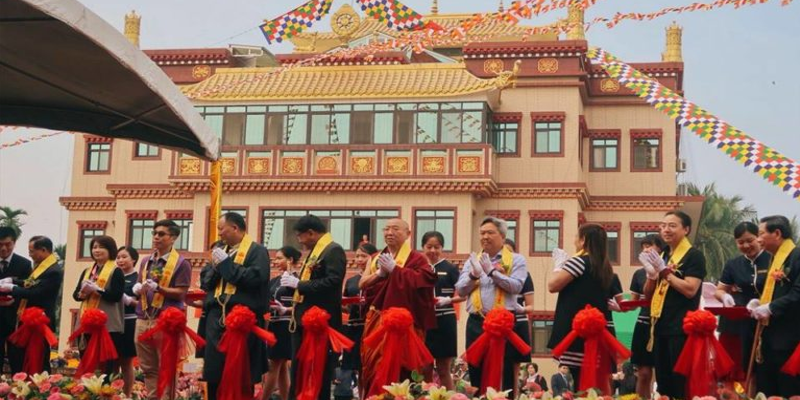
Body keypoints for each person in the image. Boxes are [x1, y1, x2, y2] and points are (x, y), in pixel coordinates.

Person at [360, 218, 437, 397]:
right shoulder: (375, 258)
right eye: (386, 229)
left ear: (408, 234)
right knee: (374, 364)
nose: (389, 233)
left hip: (404, 325)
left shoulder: (417, 258)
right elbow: (363, 284)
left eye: (395, 229)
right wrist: (380, 273)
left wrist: (397, 270)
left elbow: (425, 281)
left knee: (404, 366)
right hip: (377, 319)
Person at [455, 217, 526, 396]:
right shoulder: (473, 260)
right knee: (475, 369)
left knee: (504, 372)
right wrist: (473, 275)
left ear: (502, 236)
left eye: (490, 232)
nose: (485, 237)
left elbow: (517, 286)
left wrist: (492, 273)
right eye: (482, 233)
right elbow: (460, 291)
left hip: (503, 325)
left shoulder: (516, 260)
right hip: (476, 322)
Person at [203, 212, 271, 400]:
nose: (219, 234)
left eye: (221, 229)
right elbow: (205, 282)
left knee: (241, 370)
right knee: (215, 370)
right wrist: (217, 265)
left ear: (234, 228)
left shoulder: (256, 251)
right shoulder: (220, 249)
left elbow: (254, 279)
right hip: (216, 317)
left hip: (242, 320)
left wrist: (226, 263)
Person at [641, 211, 706, 399]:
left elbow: (690, 290)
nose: (665, 230)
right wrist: (651, 275)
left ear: (686, 229)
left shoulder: (694, 256)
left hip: (681, 327)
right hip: (660, 325)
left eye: (672, 225)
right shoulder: (663, 254)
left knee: (680, 381)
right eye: (662, 226)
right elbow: (648, 294)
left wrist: (665, 272)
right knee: (663, 382)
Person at [547, 224, 620, 389]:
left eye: (576, 237)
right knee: (597, 382)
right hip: (597, 332)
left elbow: (553, 286)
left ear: (583, 240)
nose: (574, 241)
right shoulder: (605, 267)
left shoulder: (579, 262)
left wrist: (558, 266)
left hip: (578, 332)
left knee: (580, 380)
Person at [282, 215, 346, 400]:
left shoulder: (333, 250)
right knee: (300, 369)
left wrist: (299, 284)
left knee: (317, 371)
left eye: (300, 236)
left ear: (311, 233)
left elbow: (333, 281)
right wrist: (294, 282)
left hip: (319, 323)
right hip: (304, 321)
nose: (299, 241)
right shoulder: (315, 252)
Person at [132, 220, 192, 399]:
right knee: (148, 367)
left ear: (173, 238)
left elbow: (182, 292)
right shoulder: (146, 261)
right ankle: (152, 397)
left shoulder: (181, 263)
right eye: (154, 233)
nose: (156, 237)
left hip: (166, 320)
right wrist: (137, 289)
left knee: (167, 366)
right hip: (143, 317)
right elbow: (139, 285)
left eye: (161, 234)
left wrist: (159, 289)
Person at [714, 222, 771, 392]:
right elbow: (719, 290)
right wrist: (725, 296)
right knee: (736, 368)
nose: (746, 245)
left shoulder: (772, 259)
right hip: (737, 321)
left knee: (759, 368)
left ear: (759, 238)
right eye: (740, 242)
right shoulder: (733, 264)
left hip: (766, 319)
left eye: (750, 240)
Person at [750, 215, 800, 396]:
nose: (758, 239)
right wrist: (759, 302)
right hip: (768, 337)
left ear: (777, 233)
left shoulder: (796, 257)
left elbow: (797, 294)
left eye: (761, 234)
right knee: (766, 389)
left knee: (788, 389)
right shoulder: (774, 259)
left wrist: (770, 308)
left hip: (789, 338)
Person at [0, 235, 63, 373]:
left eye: (32, 251)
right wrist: (14, 281)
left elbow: (36, 292)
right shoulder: (42, 267)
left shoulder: (53, 271)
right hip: (30, 321)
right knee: (24, 357)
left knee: (38, 359)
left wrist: (12, 289)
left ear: (44, 250)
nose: (30, 254)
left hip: (40, 321)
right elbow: (30, 282)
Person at [72, 235, 125, 372]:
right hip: (86, 322)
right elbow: (75, 296)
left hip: (108, 325)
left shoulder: (116, 271)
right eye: (94, 247)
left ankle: (105, 391)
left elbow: (116, 296)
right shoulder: (87, 271)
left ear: (110, 250)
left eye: (101, 247)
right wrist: (82, 293)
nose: (97, 250)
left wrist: (98, 290)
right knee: (86, 361)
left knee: (107, 365)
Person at [422, 231, 464, 390]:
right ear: (423, 247)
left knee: (443, 368)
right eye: (429, 247)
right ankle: (425, 395)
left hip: (445, 320)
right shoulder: (419, 267)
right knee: (425, 366)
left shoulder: (450, 268)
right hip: (425, 320)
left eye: (437, 247)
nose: (433, 250)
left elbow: (463, 294)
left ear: (442, 248)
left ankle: (452, 396)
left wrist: (449, 300)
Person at [260, 246, 301, 400]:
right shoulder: (275, 280)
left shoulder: (296, 280)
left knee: (273, 364)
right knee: (282, 367)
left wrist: (286, 309)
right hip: (274, 324)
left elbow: (302, 304)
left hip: (286, 326)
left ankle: (263, 398)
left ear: (290, 260)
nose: (275, 261)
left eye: (279, 258)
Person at [628, 234, 665, 398]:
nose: (646, 249)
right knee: (643, 373)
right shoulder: (638, 273)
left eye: (650, 245)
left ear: (660, 248)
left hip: (664, 322)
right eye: (643, 246)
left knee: (664, 372)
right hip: (644, 323)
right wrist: (621, 307)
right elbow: (635, 301)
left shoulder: (669, 268)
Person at [341, 242, 377, 395]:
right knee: (358, 367)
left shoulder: (377, 278)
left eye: (364, 256)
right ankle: (362, 395)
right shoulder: (351, 281)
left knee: (370, 365)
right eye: (357, 256)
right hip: (354, 326)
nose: (359, 259)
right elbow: (346, 306)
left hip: (371, 326)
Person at [0, 226, 32, 373]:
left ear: (14, 243)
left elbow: (29, 289)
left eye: (8, 244)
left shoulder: (24, 264)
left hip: (15, 318)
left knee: (17, 358)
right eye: (0, 245)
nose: (4, 248)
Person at [506, 238, 535, 397]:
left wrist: (520, 309)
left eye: (509, 252)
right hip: (495, 324)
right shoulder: (490, 273)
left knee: (513, 367)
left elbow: (531, 306)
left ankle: (513, 396)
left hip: (517, 323)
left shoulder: (524, 274)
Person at [116, 246, 139, 396]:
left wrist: (128, 300)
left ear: (133, 260)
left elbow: (143, 304)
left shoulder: (138, 278)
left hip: (129, 321)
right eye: (118, 257)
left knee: (125, 362)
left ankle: (128, 394)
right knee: (110, 361)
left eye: (124, 257)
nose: (120, 260)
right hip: (112, 321)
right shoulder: (112, 275)